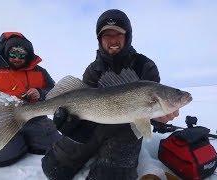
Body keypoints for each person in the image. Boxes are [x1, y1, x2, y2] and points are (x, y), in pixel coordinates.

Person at [41, 9, 179, 180]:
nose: (113, 40)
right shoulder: (93, 70)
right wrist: (74, 127)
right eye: (107, 35)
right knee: (53, 167)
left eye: (118, 34)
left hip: (127, 131)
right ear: (100, 39)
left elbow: (146, 115)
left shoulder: (145, 66)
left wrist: (156, 117)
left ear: (127, 36)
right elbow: (83, 105)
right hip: (95, 125)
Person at [0, 32, 62, 167]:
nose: (17, 58)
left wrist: (40, 93)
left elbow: (54, 91)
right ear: (6, 52)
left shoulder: (40, 71)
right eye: (13, 54)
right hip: (3, 120)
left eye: (21, 55)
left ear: (28, 55)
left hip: (35, 118)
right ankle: (19, 142)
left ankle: (30, 139)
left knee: (59, 146)